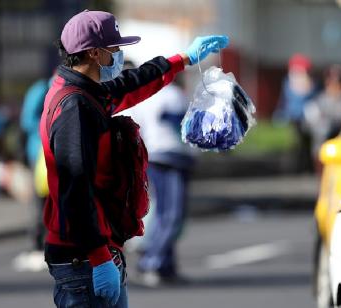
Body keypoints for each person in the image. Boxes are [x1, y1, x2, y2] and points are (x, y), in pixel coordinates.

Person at [40, 9, 228, 308]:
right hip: (85, 260)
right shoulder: (75, 107)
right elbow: (75, 190)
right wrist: (100, 260)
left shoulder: (83, 91)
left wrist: (184, 59)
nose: (119, 54)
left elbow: (131, 84)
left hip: (93, 255)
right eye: (114, 49)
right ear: (94, 53)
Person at [119, 76, 195, 287]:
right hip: (172, 158)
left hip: (154, 157)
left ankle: (165, 266)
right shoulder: (174, 96)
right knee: (172, 214)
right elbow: (183, 126)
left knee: (163, 212)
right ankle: (151, 262)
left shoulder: (146, 97)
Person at [12, 74, 54, 272]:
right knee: (41, 200)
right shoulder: (42, 88)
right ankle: (38, 244)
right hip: (39, 153)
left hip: (52, 151)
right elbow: (28, 120)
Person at [274, 53, 318, 172]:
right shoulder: (288, 82)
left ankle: (306, 165)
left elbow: (313, 98)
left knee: (306, 142)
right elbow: (284, 99)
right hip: (293, 116)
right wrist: (280, 113)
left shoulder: (311, 83)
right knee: (295, 142)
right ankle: (296, 166)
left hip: (307, 117)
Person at [304, 64, 341, 174]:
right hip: (322, 149)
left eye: (338, 83)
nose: (335, 86)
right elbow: (311, 122)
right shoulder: (319, 100)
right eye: (331, 82)